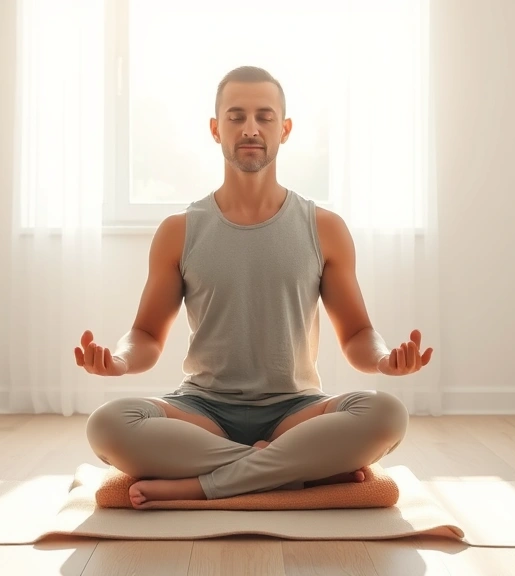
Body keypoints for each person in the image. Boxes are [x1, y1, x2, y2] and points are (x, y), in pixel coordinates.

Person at [78, 66, 433, 509]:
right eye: (236, 116)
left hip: (296, 411)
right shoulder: (179, 230)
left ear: (284, 130)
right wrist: (118, 360)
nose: (250, 128)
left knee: (386, 414)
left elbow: (358, 334)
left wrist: (384, 359)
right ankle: (294, 471)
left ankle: (204, 485)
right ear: (215, 129)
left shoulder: (324, 227)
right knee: (108, 424)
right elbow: (147, 335)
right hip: (202, 411)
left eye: (264, 117)